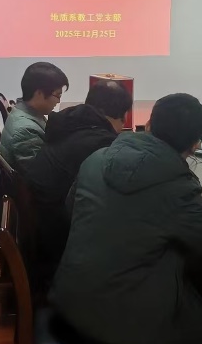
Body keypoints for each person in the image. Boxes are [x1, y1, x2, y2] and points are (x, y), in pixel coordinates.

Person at [50, 93, 202, 344]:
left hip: (69, 297)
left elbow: (70, 210)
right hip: (121, 319)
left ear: (148, 124)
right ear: (195, 144)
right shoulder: (176, 185)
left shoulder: (97, 158)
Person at [22, 80, 132, 293]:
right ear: (124, 116)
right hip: (61, 247)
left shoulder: (68, 125)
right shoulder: (101, 144)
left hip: (41, 233)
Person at [0, 62, 68, 169]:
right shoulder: (25, 131)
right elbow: (41, 174)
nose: (58, 101)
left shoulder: (25, 111)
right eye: (58, 95)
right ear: (39, 93)